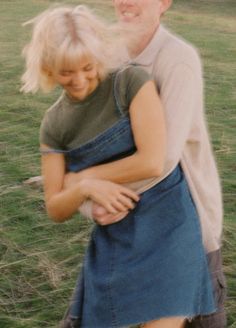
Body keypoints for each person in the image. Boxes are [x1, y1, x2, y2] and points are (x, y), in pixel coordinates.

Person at [21, 4, 216, 328]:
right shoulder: (53, 124)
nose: (80, 80)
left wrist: (81, 177)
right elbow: (55, 207)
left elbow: (153, 161)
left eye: (86, 67)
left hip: (168, 226)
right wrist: (83, 189)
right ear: (47, 69)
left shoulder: (130, 82)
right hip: (115, 233)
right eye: (66, 72)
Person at [72, 0, 226, 327]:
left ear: (164, 3)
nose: (125, 2)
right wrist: (90, 203)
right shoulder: (106, 60)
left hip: (184, 222)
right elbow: (82, 147)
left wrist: (92, 188)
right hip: (125, 223)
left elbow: (162, 159)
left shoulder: (176, 59)